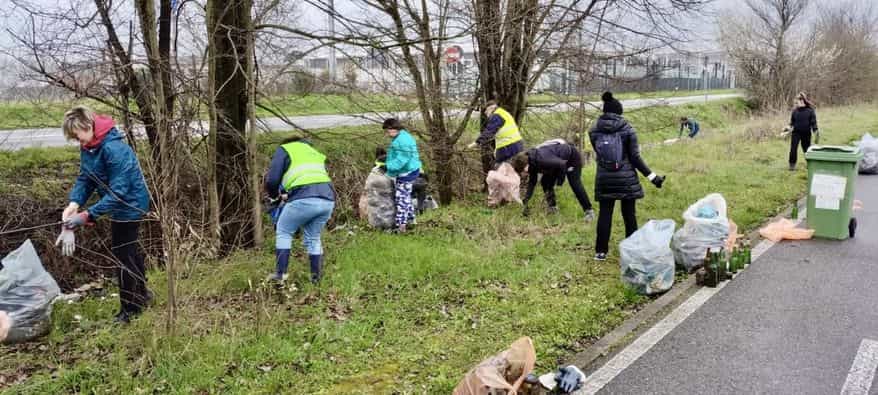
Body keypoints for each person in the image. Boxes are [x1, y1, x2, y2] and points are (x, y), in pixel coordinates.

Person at [60, 106, 151, 324]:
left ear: (88, 126)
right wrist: (75, 203)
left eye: (78, 136)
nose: (78, 142)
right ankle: (143, 296)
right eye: (74, 139)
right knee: (128, 251)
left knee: (122, 256)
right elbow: (86, 178)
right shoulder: (89, 146)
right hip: (118, 203)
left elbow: (118, 193)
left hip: (131, 205)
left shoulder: (114, 149)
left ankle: (130, 310)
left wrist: (87, 215)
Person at [590, 92, 665, 261]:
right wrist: (653, 177)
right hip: (626, 178)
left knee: (605, 214)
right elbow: (635, 158)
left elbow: (599, 152)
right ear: (619, 112)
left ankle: (600, 252)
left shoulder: (594, 131)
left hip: (604, 177)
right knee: (629, 214)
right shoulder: (628, 129)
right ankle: (633, 249)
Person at [264, 137, 336, 284]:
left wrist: (273, 197)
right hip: (327, 199)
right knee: (313, 238)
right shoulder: (313, 151)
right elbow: (309, 179)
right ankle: (317, 278)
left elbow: (272, 180)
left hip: (304, 198)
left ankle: (280, 275)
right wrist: (289, 195)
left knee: (284, 231)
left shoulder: (285, 149)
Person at [511, 140, 595, 221]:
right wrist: (526, 200)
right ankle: (552, 208)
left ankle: (589, 211)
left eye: (522, 171)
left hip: (571, 158)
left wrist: (559, 182)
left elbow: (562, 165)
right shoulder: (531, 163)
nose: (523, 174)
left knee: (574, 183)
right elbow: (532, 182)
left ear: (525, 166)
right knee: (545, 182)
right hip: (557, 162)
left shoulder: (542, 159)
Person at [382, 118, 422, 232]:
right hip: (409, 170)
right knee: (405, 197)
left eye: (388, 131)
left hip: (406, 173)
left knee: (401, 199)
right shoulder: (402, 136)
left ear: (393, 128)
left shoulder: (402, 140)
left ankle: (401, 227)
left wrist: (388, 166)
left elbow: (402, 159)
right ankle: (411, 221)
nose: (387, 133)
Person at [467, 100, 524, 164]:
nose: (485, 113)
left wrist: (476, 143)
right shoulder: (503, 113)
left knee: (502, 170)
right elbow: (500, 132)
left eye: (486, 110)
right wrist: (497, 150)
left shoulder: (497, 115)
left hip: (508, 148)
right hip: (516, 145)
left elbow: (489, 131)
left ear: (491, 108)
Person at [787, 93, 818, 171]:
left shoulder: (810, 111)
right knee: (793, 149)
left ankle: (809, 164)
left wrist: (815, 132)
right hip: (796, 133)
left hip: (806, 133)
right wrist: (788, 128)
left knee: (806, 149)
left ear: (802, 100)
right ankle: (792, 166)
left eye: (797, 101)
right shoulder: (794, 111)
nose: (796, 103)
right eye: (796, 102)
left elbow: (813, 123)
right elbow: (792, 122)